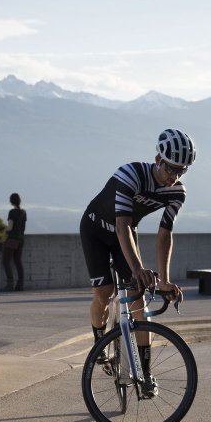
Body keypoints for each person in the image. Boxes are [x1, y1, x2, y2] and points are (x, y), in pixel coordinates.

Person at [81, 128, 191, 380]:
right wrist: (138, 269)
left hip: (126, 234)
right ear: (158, 160)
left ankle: (146, 374)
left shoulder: (177, 193)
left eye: (181, 170)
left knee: (137, 300)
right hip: (95, 229)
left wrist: (163, 280)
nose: (174, 176)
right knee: (104, 293)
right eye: (171, 168)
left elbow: (164, 236)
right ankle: (99, 342)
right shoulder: (131, 174)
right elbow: (122, 225)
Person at [2, 192, 26, 292]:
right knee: (18, 262)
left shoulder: (12, 212)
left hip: (12, 240)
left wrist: (2, 230)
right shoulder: (23, 212)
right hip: (20, 240)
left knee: (6, 261)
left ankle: (10, 284)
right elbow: (23, 227)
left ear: (11, 201)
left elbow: (10, 227)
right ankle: (20, 284)